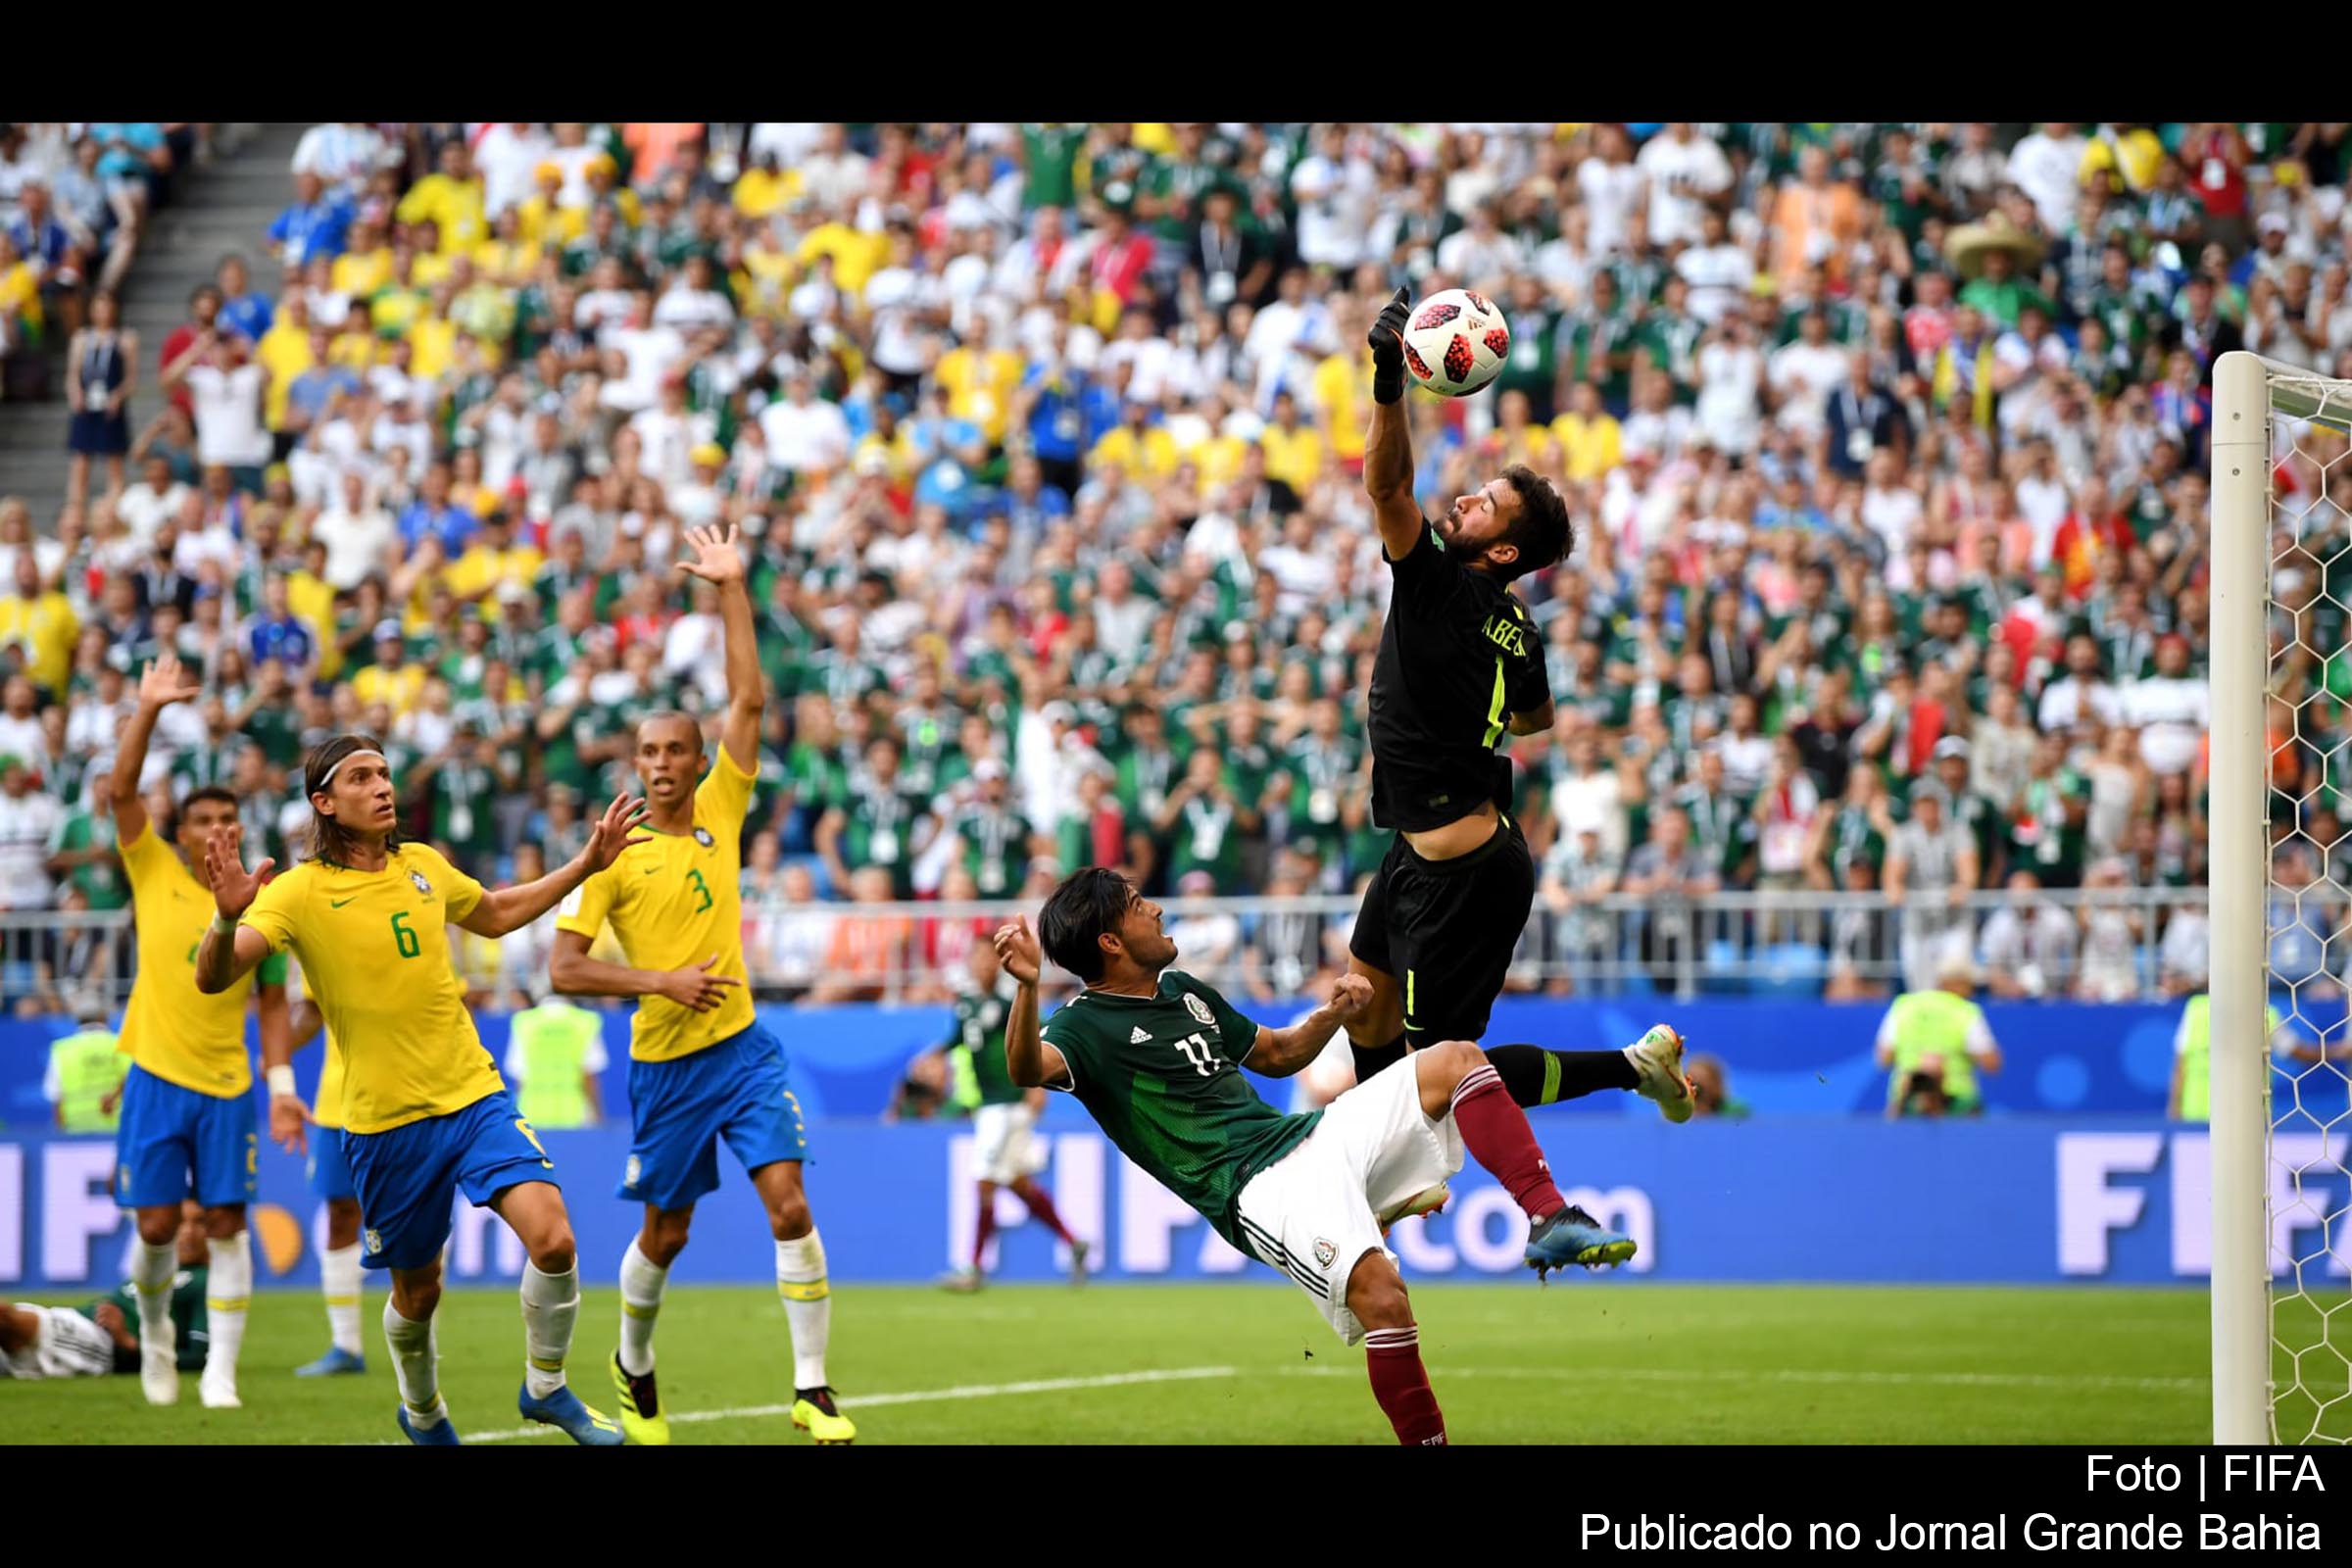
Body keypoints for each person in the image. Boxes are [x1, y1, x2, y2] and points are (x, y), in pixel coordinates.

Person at [999, 868, 1639, 1446]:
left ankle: (1550, 1218)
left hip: (1302, 1136)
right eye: (1138, 905)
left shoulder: (1186, 993)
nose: (1157, 911)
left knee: (1455, 1059)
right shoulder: (1081, 1025)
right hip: (1255, 1189)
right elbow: (1027, 1066)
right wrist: (1027, 989)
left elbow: (1276, 1054)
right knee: (1384, 1299)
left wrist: (1332, 1014)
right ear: (1110, 942)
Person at [195, 732, 648, 1446]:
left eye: (385, 774)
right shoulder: (298, 892)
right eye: (362, 778)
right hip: (384, 1124)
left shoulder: (425, 867)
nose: (382, 788)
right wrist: (225, 918)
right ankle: (424, 1411)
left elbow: (495, 913)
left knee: (554, 1240)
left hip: (471, 1096)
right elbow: (214, 976)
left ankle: (547, 1388)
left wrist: (586, 863)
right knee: (418, 1290)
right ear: (324, 802)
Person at [1353, 287, 1692, 1123]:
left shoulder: (1439, 580)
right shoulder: (1515, 624)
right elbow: (1537, 719)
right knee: (1363, 1002)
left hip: (1463, 878)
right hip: (1419, 854)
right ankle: (1374, 1158)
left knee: (1446, 1075)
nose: (1462, 498)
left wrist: (1391, 383)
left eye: (1484, 504)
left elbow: (1387, 487)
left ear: (1501, 550)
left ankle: (1629, 1067)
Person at [547, 522, 854, 1447]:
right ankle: (632, 1364)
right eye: (649, 754)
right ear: (637, 764)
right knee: (667, 1232)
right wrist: (659, 980)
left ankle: (813, 1389)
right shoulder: (613, 851)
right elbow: (563, 967)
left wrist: (731, 588)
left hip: (745, 1050)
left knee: (790, 1203)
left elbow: (750, 697)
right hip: (665, 1064)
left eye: (676, 751)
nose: (663, 765)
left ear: (695, 759)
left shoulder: (724, 803)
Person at [108, 651, 293, 1410]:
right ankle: (155, 1330)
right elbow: (120, 788)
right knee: (155, 1228)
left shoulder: (265, 898)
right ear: (179, 831)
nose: (217, 829)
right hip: (154, 1074)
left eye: (228, 819)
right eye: (203, 820)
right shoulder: (151, 869)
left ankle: (219, 1369)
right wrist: (149, 707)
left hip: (227, 1085)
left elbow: (275, 1004)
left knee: (225, 1223)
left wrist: (281, 1088)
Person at [939, 940, 1089, 1294]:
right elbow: (957, 1040)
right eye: (975, 958)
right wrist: (933, 1056)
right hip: (987, 1105)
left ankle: (973, 1268)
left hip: (1009, 1103)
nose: (981, 965)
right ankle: (1073, 1241)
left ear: (1000, 962)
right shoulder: (966, 1004)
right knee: (1015, 1182)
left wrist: (1037, 1087)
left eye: (987, 958)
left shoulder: (1011, 1001)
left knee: (985, 1181)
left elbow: (1038, 1036)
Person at [2, 1202, 209, 1383]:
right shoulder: (158, 1266)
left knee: (4, 1316)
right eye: (180, 1222)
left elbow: (200, 1357)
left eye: (199, 1222)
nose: (188, 1231)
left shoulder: (205, 1281)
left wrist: (130, 1345)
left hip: (101, 1343)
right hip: (75, 1319)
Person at [283, 995, 367, 1378]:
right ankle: (346, 1345)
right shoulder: (320, 935)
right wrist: (276, 1057)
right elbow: (312, 1012)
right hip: (336, 1103)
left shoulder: (422, 931)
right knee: (340, 1215)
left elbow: (453, 1006)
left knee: (413, 1216)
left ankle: (421, 1341)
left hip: (404, 1097)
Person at [1876, 955, 2003, 1119]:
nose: (1972, 989)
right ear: (1954, 983)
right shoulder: (1966, 1011)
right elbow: (1991, 1063)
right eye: (1968, 983)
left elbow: (1884, 1057)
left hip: (1907, 1102)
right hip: (1958, 1106)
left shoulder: (1903, 1006)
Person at [503, 992, 609, 1131]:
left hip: (532, 1115)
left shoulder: (524, 1022)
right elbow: (589, 1075)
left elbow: (520, 1076)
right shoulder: (585, 1021)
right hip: (576, 1116)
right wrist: (598, 1114)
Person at [42, 996, 123, 1132]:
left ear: (78, 1020)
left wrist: (61, 1137)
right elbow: (134, 1085)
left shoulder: (63, 1050)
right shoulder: (120, 1045)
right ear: (104, 1017)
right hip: (118, 1132)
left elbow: (55, 1096)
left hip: (76, 1135)